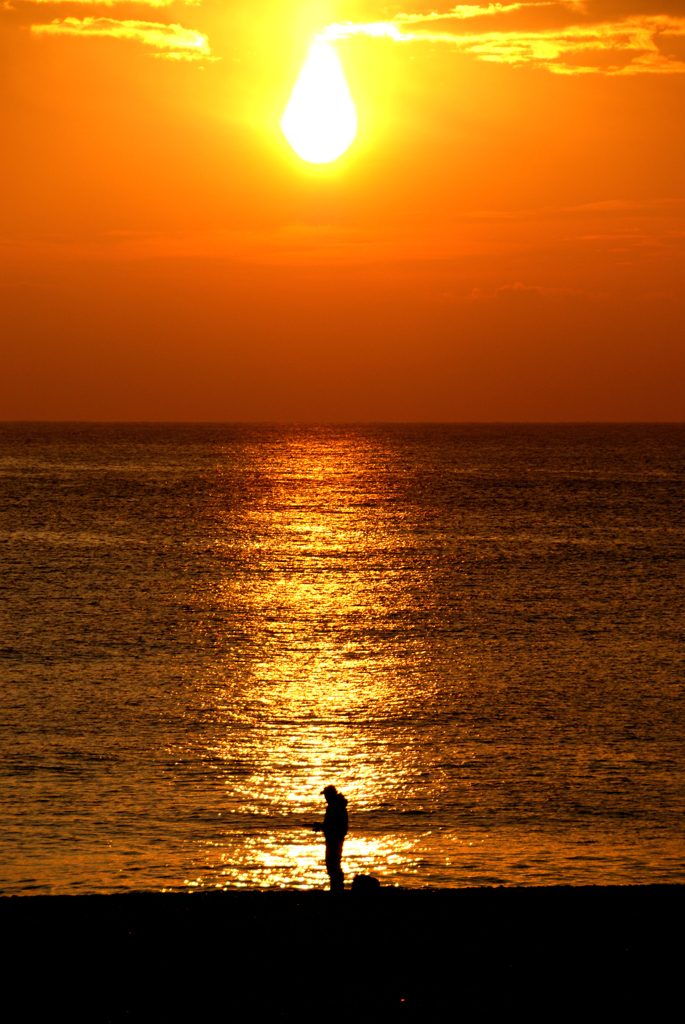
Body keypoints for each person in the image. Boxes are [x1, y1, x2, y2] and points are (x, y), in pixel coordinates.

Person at [312, 785, 348, 894]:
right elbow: (334, 824)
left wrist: (322, 827)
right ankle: (337, 889)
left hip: (334, 840)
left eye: (326, 795)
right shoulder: (338, 806)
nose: (325, 798)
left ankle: (336, 891)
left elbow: (333, 825)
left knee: (332, 865)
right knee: (334, 864)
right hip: (337, 838)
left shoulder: (333, 807)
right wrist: (322, 826)